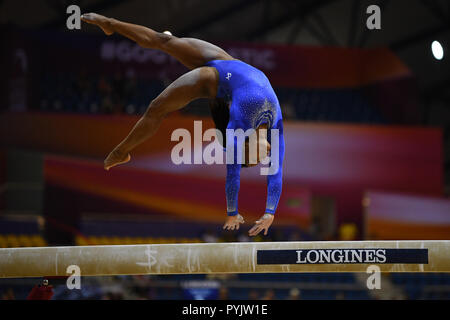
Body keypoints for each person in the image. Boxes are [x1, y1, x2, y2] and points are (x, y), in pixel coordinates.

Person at [81, 13, 285, 236]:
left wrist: (232, 211)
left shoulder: (239, 124)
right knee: (164, 40)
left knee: (156, 107)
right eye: (258, 160)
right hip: (227, 62)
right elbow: (275, 174)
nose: (263, 159)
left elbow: (233, 173)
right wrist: (270, 212)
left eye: (255, 161)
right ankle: (112, 25)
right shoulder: (276, 128)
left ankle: (121, 151)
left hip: (213, 79)